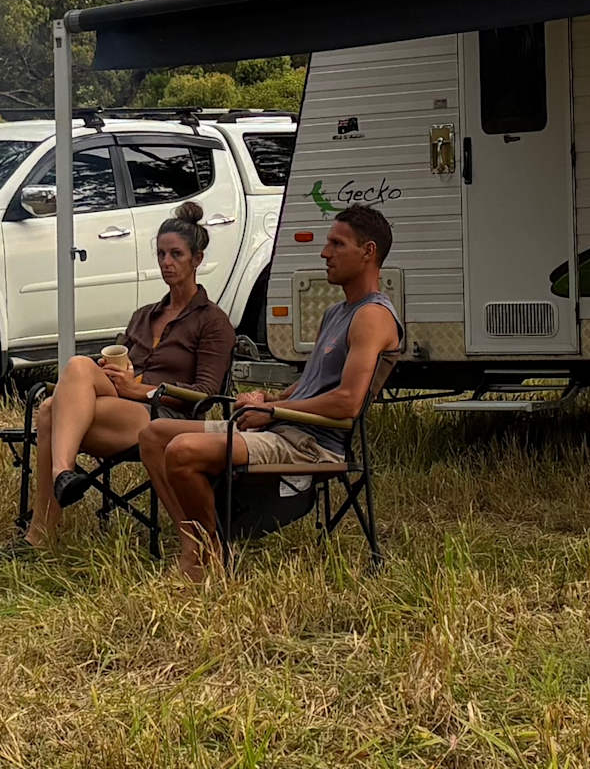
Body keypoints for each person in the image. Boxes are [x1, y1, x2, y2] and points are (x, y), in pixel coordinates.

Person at [139, 201, 399, 580]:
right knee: (154, 434)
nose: (325, 253)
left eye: (337, 244)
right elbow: (311, 383)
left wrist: (274, 414)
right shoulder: (337, 312)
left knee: (182, 451)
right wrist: (270, 399)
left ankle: (206, 558)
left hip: (312, 443)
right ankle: (197, 544)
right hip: (284, 425)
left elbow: (347, 401)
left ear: (368, 252)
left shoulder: (372, 317)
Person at [28, 206, 237, 538]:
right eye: (161, 254)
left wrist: (140, 390)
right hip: (121, 403)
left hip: (165, 416)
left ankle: (43, 524)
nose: (166, 262)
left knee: (52, 410)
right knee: (78, 371)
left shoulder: (212, 322)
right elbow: (123, 369)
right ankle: (61, 480)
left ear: (196, 259)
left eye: (176, 254)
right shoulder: (144, 315)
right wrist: (112, 372)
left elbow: (205, 393)